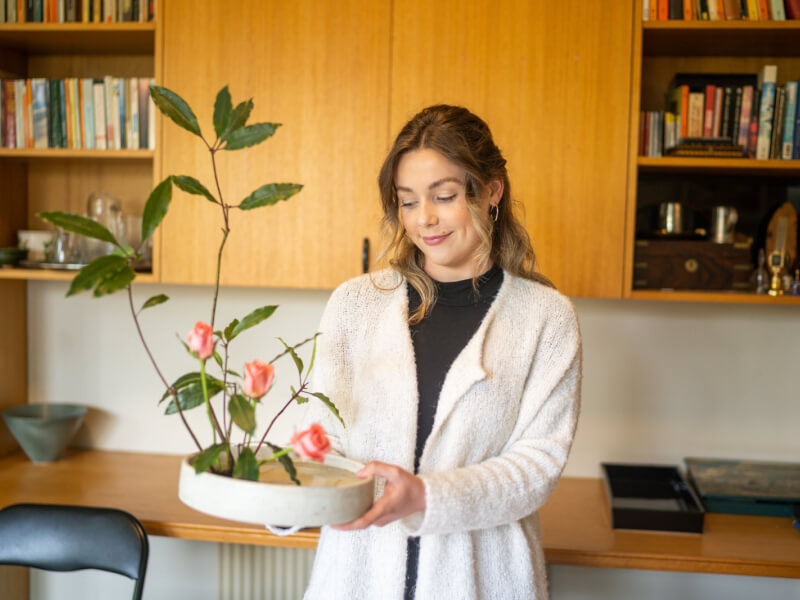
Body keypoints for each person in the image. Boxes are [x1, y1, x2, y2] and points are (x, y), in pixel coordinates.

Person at [301, 105, 582, 600]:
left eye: (444, 196)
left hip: (483, 582)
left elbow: (537, 467)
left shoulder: (546, 318)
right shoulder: (355, 305)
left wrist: (426, 497)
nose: (424, 219)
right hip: (355, 578)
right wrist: (290, 483)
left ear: (492, 190)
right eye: (407, 202)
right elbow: (321, 442)